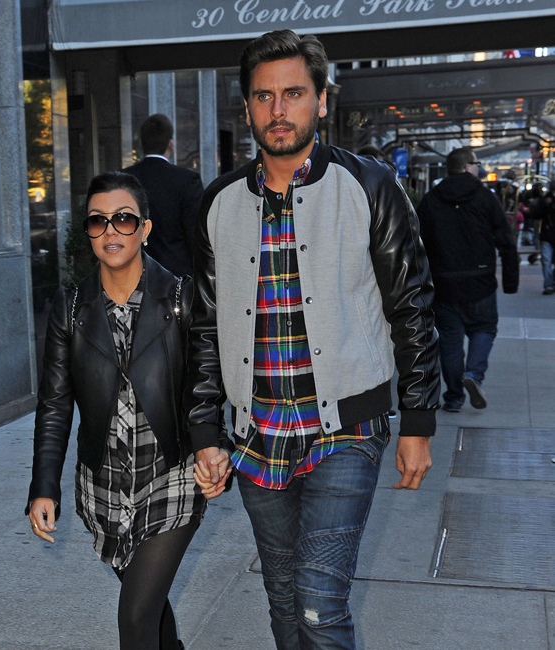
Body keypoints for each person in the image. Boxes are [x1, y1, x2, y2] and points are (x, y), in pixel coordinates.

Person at [185, 29, 440, 650]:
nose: (279, 110)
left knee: (320, 606)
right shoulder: (218, 204)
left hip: (345, 430)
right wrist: (204, 430)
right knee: (283, 599)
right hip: (257, 434)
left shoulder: (370, 186)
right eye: (264, 96)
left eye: (294, 93)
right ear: (247, 107)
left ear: (321, 100)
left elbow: (411, 306)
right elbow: (205, 327)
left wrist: (418, 420)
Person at [26, 172, 207, 650]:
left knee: (135, 615)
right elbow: (54, 404)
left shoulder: (182, 299)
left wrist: (214, 445)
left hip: (171, 477)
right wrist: (44, 486)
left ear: (145, 229)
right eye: (98, 221)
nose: (110, 230)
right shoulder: (71, 308)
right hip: (103, 486)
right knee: (151, 611)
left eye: (124, 219)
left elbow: (205, 388)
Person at [417, 148, 519, 412]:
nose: (479, 167)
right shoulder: (485, 197)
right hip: (480, 281)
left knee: (450, 342)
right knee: (484, 328)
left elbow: (417, 244)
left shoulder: (430, 199)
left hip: (443, 284)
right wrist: (511, 281)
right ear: (466, 167)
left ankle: (454, 397)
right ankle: (473, 374)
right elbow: (505, 239)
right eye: (476, 163)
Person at [123, 114, 204, 277]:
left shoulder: (122, 179)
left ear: (141, 143)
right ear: (170, 144)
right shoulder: (188, 180)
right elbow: (195, 236)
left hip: (130, 276)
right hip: (175, 278)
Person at [532, 178, 555, 295]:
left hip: (548, 233)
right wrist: (545, 205)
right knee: (546, 260)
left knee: (547, 260)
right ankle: (548, 284)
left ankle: (551, 282)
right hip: (547, 234)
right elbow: (536, 215)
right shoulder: (545, 200)